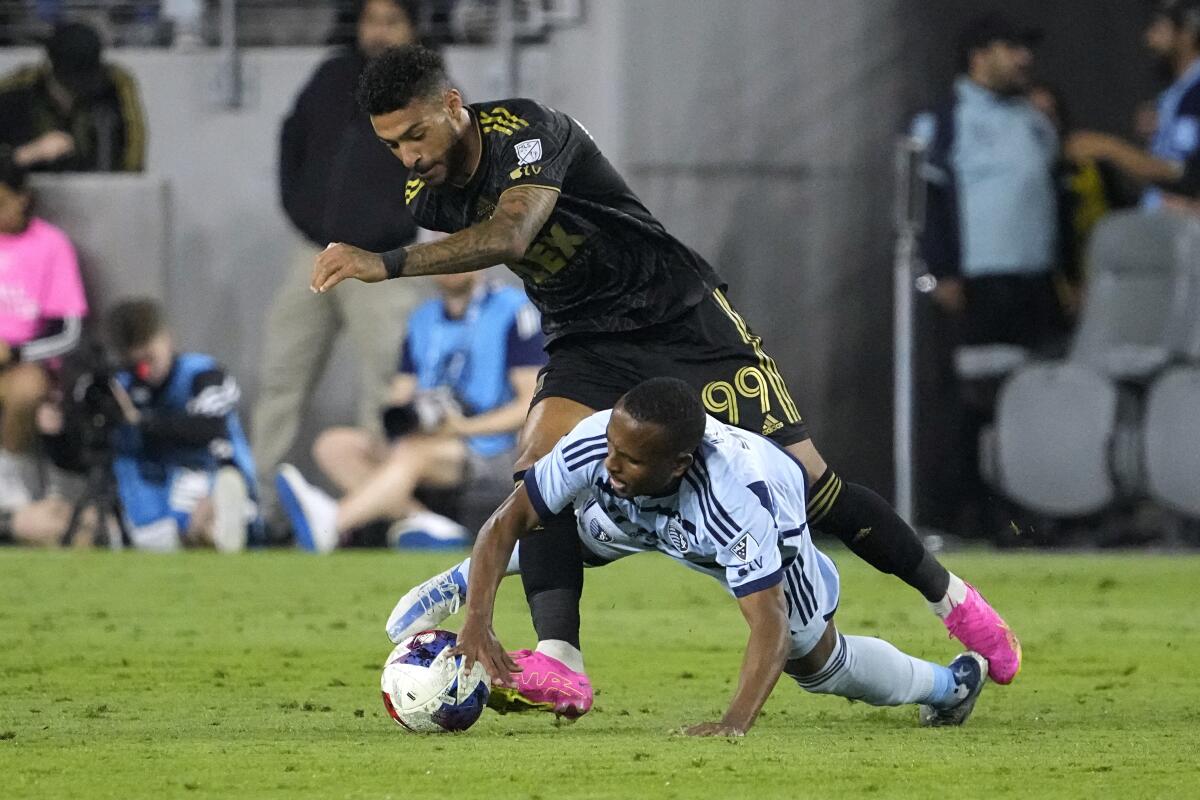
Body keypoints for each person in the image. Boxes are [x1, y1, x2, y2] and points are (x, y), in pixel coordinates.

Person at [311, 45, 1021, 717]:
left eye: (415, 136)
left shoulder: (528, 130)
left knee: (814, 488)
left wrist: (387, 264)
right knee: (536, 475)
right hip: (587, 338)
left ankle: (954, 601)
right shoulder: (427, 198)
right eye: (393, 147)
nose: (408, 157)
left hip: (681, 318)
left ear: (453, 106)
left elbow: (512, 236)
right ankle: (561, 659)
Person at [408, 378, 990, 733]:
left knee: (816, 664)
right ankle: (462, 583)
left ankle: (948, 686)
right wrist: (478, 616)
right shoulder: (604, 443)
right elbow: (507, 519)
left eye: (630, 458)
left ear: (679, 463)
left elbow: (770, 630)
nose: (612, 463)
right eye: (614, 447)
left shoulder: (741, 504)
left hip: (754, 540)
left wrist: (732, 725)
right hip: (642, 514)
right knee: (545, 513)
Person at [253, 0, 426, 532]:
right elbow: (292, 142)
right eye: (371, 20)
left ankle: (377, 518)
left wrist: (394, 225)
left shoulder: (427, 87)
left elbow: (442, 163)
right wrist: (302, 210)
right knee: (282, 376)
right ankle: (262, 513)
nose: (378, 32)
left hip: (382, 259)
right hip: (317, 252)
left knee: (385, 388)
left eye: (391, 21)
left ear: (413, 28)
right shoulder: (330, 77)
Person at [912, 14, 1067, 539]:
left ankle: (1030, 517)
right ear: (979, 55)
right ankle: (964, 516)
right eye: (1012, 46)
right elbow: (928, 201)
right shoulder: (946, 118)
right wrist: (944, 271)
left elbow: (1054, 198)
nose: (1025, 58)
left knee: (1036, 398)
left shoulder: (1036, 116)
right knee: (974, 401)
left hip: (1035, 283)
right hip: (980, 284)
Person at [274, 270, 543, 553]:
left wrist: (461, 427)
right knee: (335, 446)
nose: (453, 264)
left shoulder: (513, 309)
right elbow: (400, 394)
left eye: (460, 249)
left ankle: (333, 523)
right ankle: (427, 523)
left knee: (411, 452)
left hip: (492, 447)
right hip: (427, 439)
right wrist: (408, 417)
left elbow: (531, 403)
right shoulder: (422, 318)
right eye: (443, 251)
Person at [41, 298, 259, 551]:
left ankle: (216, 525)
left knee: (207, 498)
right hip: (151, 495)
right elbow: (88, 458)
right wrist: (54, 436)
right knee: (60, 518)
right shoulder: (119, 388)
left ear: (167, 338)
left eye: (150, 359)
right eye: (137, 364)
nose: (145, 371)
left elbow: (209, 429)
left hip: (207, 472)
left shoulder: (202, 374)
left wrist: (140, 421)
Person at [0, 156, 87, 509]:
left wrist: (16, 352)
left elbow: (68, 330)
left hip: (27, 363)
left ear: (22, 198)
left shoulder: (51, 245)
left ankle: (9, 477)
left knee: (25, 389)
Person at [1067, 1, 1200, 207]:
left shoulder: (1195, 91)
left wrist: (1107, 148)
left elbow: (1181, 172)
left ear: (1187, 33)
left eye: (1158, 27)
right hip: (1163, 221)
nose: (1149, 38)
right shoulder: (1175, 92)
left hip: (1183, 229)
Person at [0, 21, 146, 172]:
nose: (74, 95)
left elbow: (134, 153)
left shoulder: (114, 88)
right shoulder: (16, 92)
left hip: (97, 187)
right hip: (26, 186)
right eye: (67, 86)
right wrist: (27, 154)